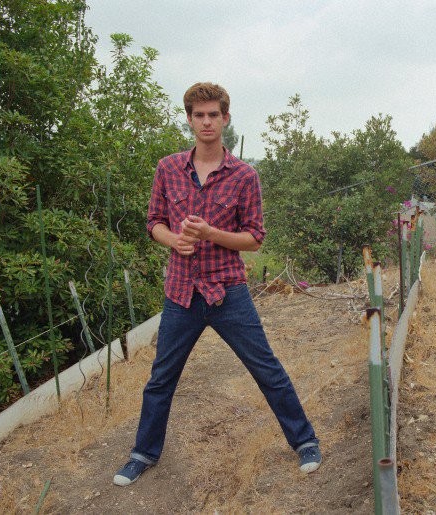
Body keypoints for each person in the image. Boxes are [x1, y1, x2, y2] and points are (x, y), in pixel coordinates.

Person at [113, 82, 321, 486]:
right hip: (181, 293)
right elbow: (152, 222)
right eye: (199, 115)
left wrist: (209, 233)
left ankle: (305, 441)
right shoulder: (167, 168)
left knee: (266, 369)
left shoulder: (244, 176)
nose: (206, 121)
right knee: (160, 379)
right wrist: (173, 239)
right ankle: (143, 453)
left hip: (228, 292)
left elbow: (255, 239)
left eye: (214, 114)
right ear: (189, 119)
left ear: (225, 118)